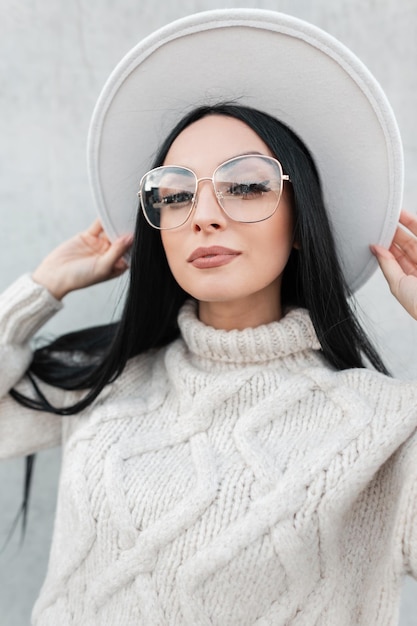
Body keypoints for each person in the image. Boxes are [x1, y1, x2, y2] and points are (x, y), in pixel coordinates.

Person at [1, 9, 417, 626]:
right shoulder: (104, 383)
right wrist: (39, 291)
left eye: (245, 187)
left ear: (301, 223)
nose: (203, 215)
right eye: (174, 194)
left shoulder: (386, 427)